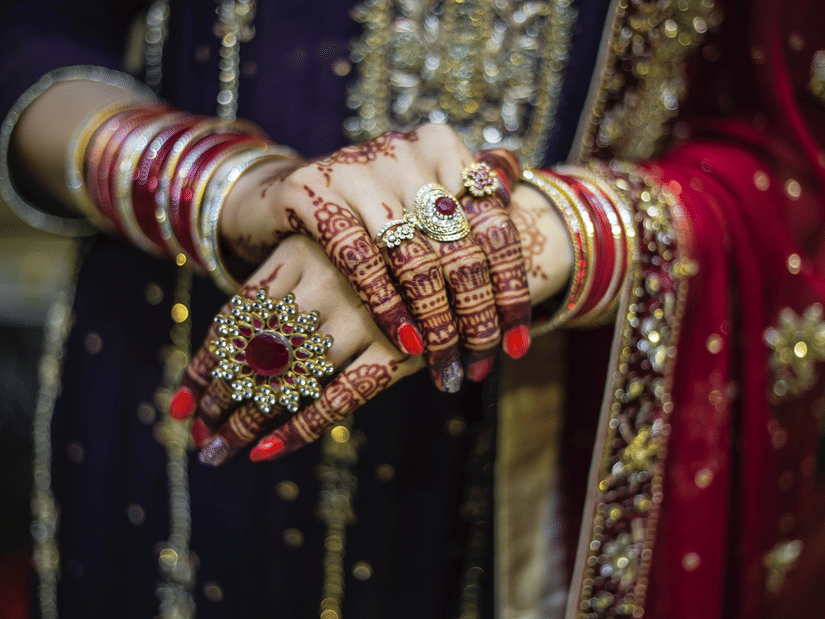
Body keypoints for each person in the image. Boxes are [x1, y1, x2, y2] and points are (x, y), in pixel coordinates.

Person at [1, 0, 825, 618]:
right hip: (188, 382)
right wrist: (218, 185)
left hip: (549, 457)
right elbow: (32, 34)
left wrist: (530, 235)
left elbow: (788, 153)